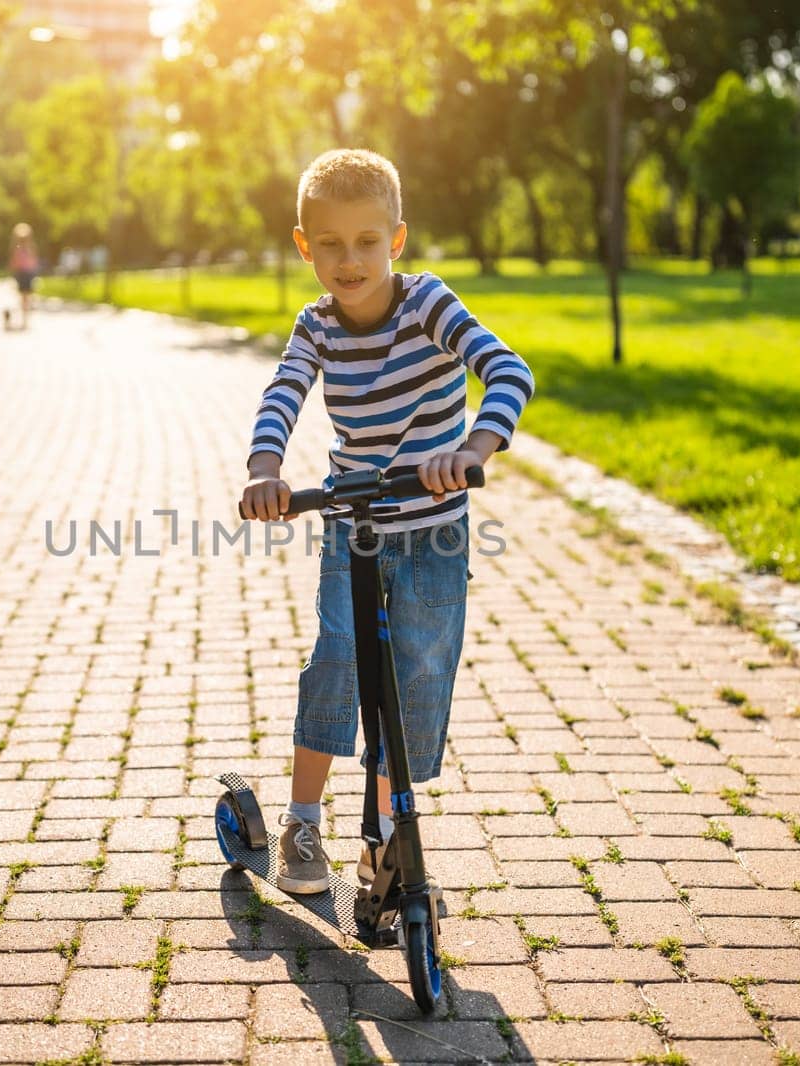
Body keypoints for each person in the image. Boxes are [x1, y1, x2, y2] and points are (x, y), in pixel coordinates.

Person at [238, 149, 535, 895]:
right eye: (329, 244)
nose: (349, 260)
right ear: (304, 246)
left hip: (435, 526)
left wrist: (472, 447)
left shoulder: (426, 303)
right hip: (356, 521)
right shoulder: (317, 326)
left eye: (367, 242)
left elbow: (508, 371)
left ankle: (381, 843)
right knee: (340, 658)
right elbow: (284, 393)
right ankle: (302, 821)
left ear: (396, 240)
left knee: (414, 678)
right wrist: (265, 471)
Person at [9, 223, 40, 328]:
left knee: (25, 296)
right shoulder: (19, 248)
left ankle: (25, 317)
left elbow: (33, 261)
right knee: (24, 296)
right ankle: (25, 317)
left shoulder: (29, 248)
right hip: (22, 273)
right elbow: (15, 262)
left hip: (26, 273)